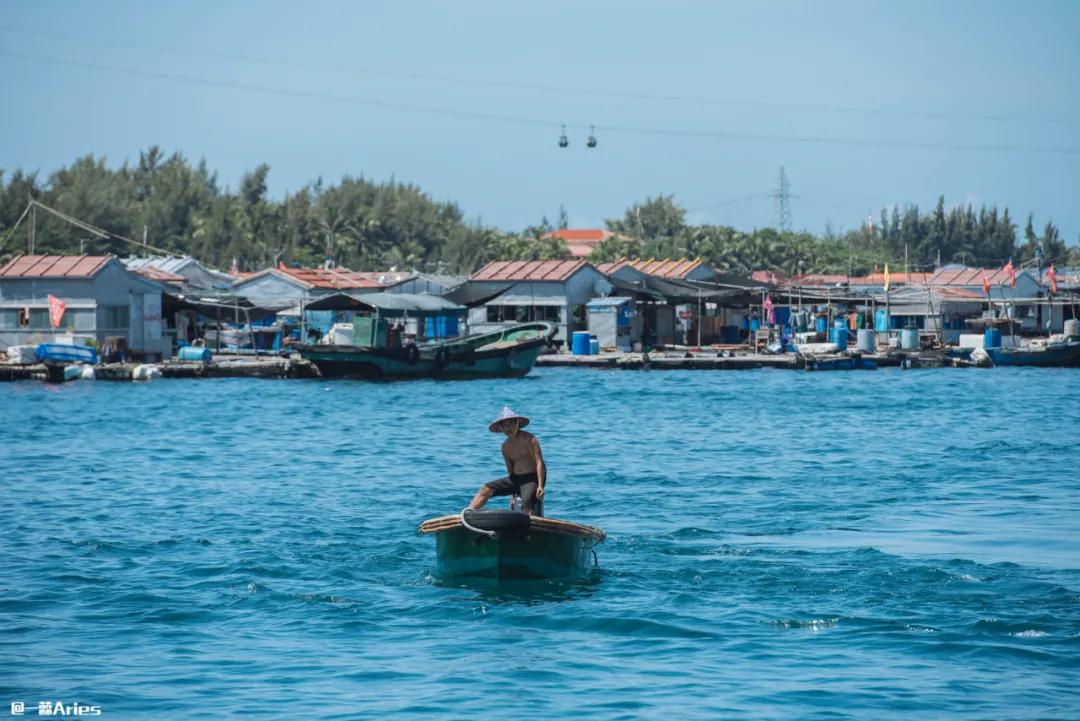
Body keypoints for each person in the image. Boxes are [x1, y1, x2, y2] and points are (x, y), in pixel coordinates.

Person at [468, 406, 546, 516]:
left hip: (531, 478)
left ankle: (528, 525)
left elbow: (539, 462)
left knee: (526, 503)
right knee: (486, 489)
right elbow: (510, 472)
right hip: (515, 479)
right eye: (504, 426)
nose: (508, 428)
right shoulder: (505, 446)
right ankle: (467, 514)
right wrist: (512, 495)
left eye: (510, 424)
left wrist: (540, 486)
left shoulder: (529, 439)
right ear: (500, 428)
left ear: (517, 423)